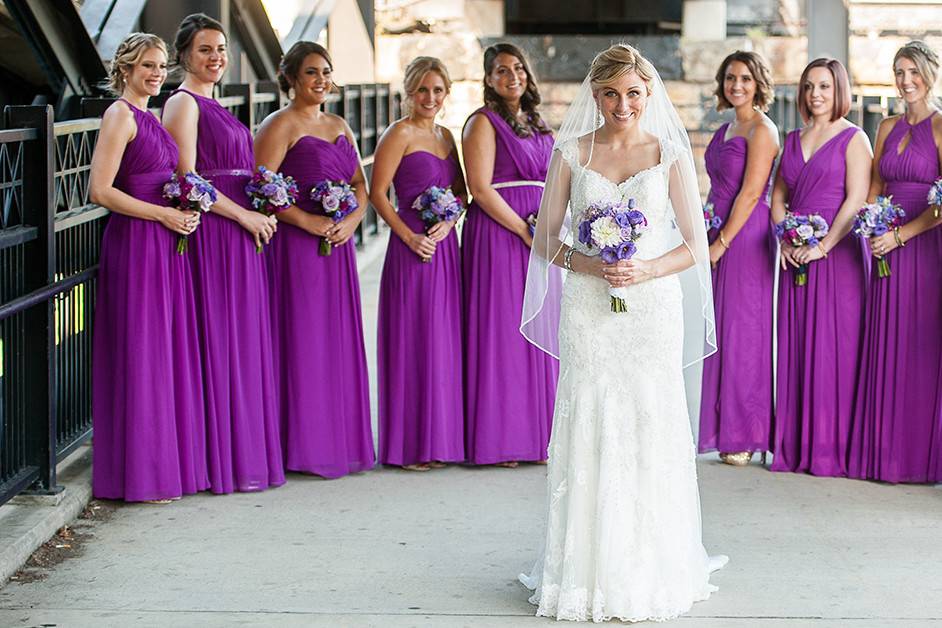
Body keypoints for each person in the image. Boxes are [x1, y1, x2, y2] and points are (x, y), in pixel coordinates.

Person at [518, 43, 725, 622]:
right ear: (595, 96)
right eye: (610, 93)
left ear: (648, 95)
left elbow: (694, 243)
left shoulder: (668, 154)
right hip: (589, 306)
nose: (622, 104)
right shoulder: (571, 152)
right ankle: (583, 572)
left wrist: (647, 268)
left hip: (650, 306)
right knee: (591, 417)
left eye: (633, 93)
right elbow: (545, 237)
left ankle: (651, 566)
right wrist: (587, 264)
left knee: (646, 419)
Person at [162, 13, 283, 493]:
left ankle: (245, 453)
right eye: (205, 50)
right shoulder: (183, 104)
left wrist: (265, 200)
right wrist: (246, 216)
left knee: (243, 338)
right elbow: (187, 180)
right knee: (221, 339)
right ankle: (220, 459)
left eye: (221, 49)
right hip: (216, 234)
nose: (216, 58)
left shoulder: (217, 101)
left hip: (240, 231)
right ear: (184, 55)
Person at [90, 33, 208, 502]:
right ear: (125, 69)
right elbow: (101, 191)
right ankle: (139, 474)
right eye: (147, 66)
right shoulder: (119, 115)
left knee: (162, 350)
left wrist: (184, 205)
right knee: (142, 351)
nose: (157, 73)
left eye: (161, 66)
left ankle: (162, 464)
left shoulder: (151, 115)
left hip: (165, 242)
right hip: (137, 244)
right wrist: (163, 213)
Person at [254, 41, 375, 478]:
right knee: (302, 338)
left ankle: (335, 439)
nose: (322, 79)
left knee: (334, 337)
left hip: (336, 244)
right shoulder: (278, 125)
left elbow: (361, 184)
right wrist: (308, 222)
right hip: (297, 248)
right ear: (290, 77)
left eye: (326, 71)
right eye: (311, 72)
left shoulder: (339, 123)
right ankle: (299, 444)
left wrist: (353, 220)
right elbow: (262, 190)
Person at [770, 58, 871, 476]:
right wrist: (786, 239)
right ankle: (796, 446)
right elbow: (777, 197)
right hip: (797, 255)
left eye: (825, 86)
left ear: (839, 90)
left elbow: (856, 199)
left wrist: (824, 246)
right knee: (797, 346)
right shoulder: (791, 139)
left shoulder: (854, 138)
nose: (816, 94)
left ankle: (832, 448)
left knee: (836, 349)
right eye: (810, 86)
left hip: (839, 257)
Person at [848, 41, 942, 483]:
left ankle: (919, 457)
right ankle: (885, 455)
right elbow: (874, 188)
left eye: (913, 71)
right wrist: (871, 228)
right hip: (883, 245)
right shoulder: (885, 126)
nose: (905, 80)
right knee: (888, 338)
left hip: (923, 246)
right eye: (899, 71)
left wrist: (900, 235)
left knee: (920, 346)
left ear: (930, 73)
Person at [461, 43, 557, 467]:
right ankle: (503, 437)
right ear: (487, 79)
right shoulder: (481, 123)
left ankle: (540, 435)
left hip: (539, 233)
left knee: (539, 325)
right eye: (501, 70)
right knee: (502, 331)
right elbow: (479, 188)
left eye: (518, 68)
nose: (512, 76)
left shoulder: (538, 124)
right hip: (500, 234)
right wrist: (523, 229)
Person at [370, 57, 467, 471]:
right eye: (422, 90)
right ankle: (410, 445)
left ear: (447, 93)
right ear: (410, 91)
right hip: (411, 245)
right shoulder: (398, 133)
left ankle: (440, 439)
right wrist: (408, 236)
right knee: (414, 338)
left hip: (444, 246)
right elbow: (377, 194)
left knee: (443, 339)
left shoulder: (447, 136)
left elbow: (462, 191)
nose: (430, 98)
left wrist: (450, 220)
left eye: (438, 90)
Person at [698, 51, 779, 465]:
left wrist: (721, 242)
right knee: (722, 330)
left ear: (758, 83)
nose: (737, 85)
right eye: (730, 77)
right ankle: (720, 429)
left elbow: (751, 193)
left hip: (744, 237)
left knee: (744, 332)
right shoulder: (728, 126)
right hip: (718, 227)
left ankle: (745, 434)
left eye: (745, 78)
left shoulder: (762, 129)